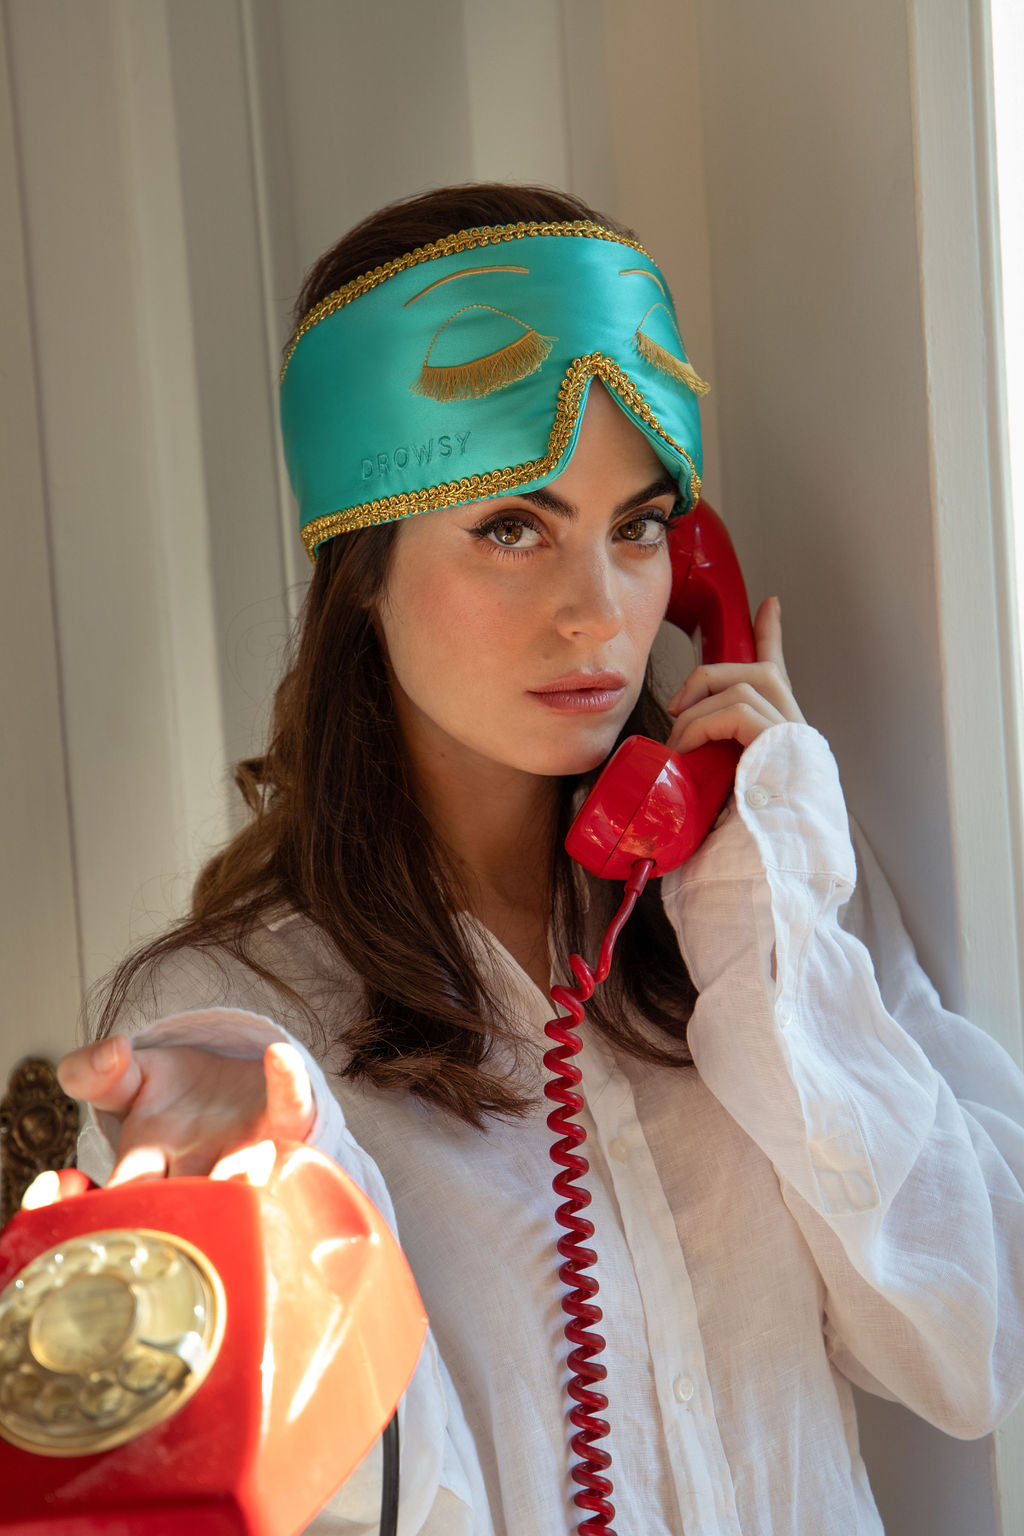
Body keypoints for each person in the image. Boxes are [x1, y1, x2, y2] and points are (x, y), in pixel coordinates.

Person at [58, 184, 1024, 1535]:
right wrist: (302, 1183)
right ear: (365, 572)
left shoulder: (769, 883)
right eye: (513, 526)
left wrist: (769, 925)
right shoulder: (233, 1032)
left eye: (637, 529)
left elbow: (967, 1348)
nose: (600, 612)